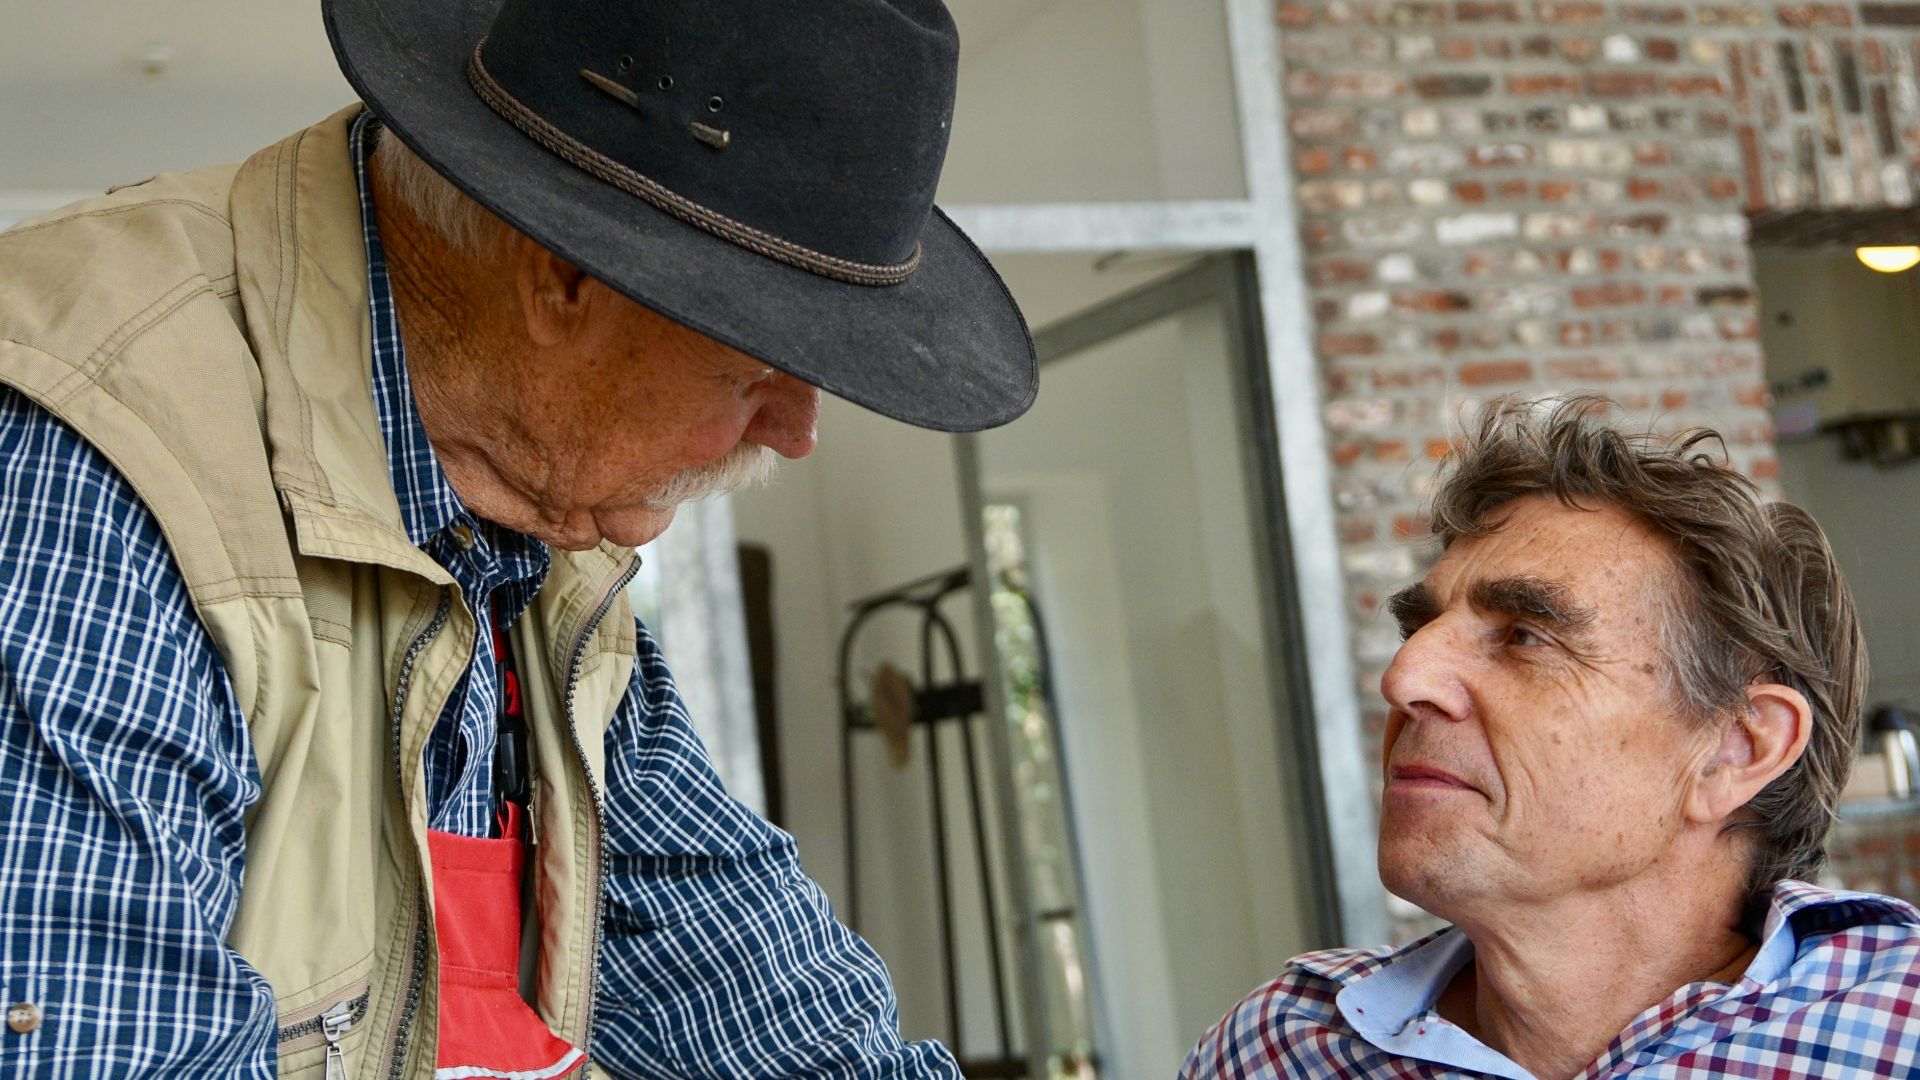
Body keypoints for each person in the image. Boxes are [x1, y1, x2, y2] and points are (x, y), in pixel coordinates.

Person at [0, 0, 1033, 1076]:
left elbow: (744, 980)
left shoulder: (528, 503)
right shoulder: (89, 459)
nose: (798, 428)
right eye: (758, 364)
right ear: (569, 274)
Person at [1184, 397, 1920, 1079]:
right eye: (1420, 629)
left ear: (1738, 748)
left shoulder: (1899, 1031)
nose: (1406, 675)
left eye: (1525, 636)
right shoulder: (1274, 1051)